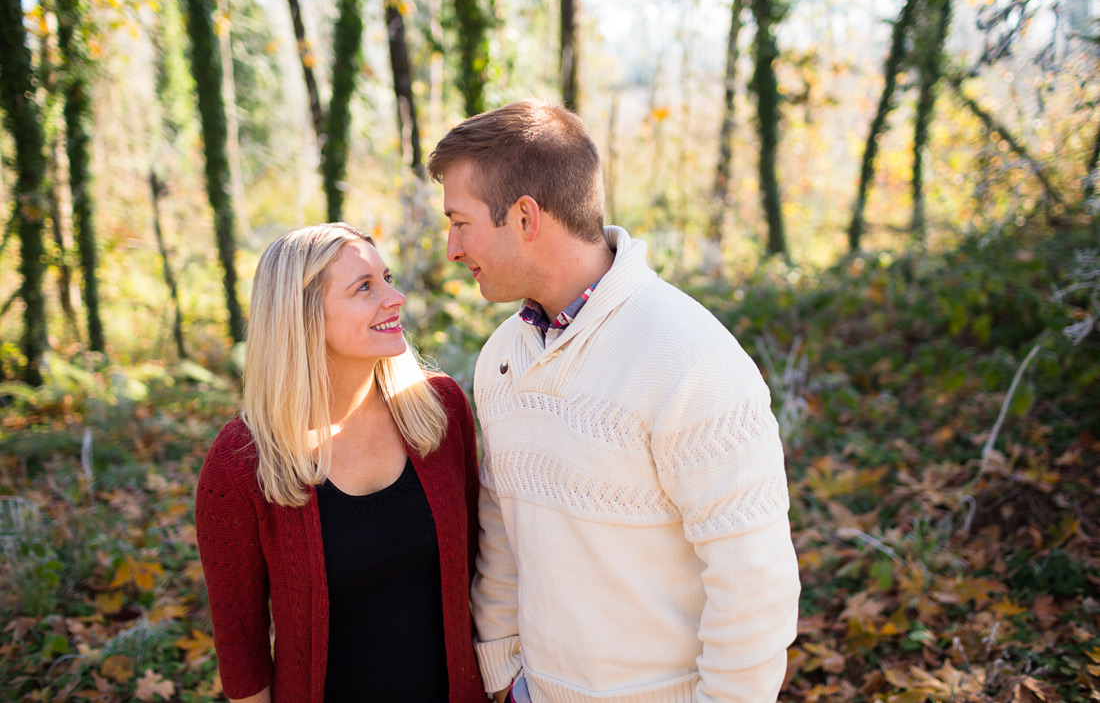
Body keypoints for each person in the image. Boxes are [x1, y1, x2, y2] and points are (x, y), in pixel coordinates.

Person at [427, 100, 800, 703]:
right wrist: (501, 673)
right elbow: (500, 528)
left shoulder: (688, 357)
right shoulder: (502, 357)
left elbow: (754, 584)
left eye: (460, 222)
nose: (451, 248)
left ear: (525, 217)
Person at [194, 223, 484, 703]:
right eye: (365, 287)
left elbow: (483, 566)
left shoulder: (440, 410)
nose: (396, 298)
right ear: (303, 316)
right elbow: (242, 657)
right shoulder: (241, 462)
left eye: (386, 278)